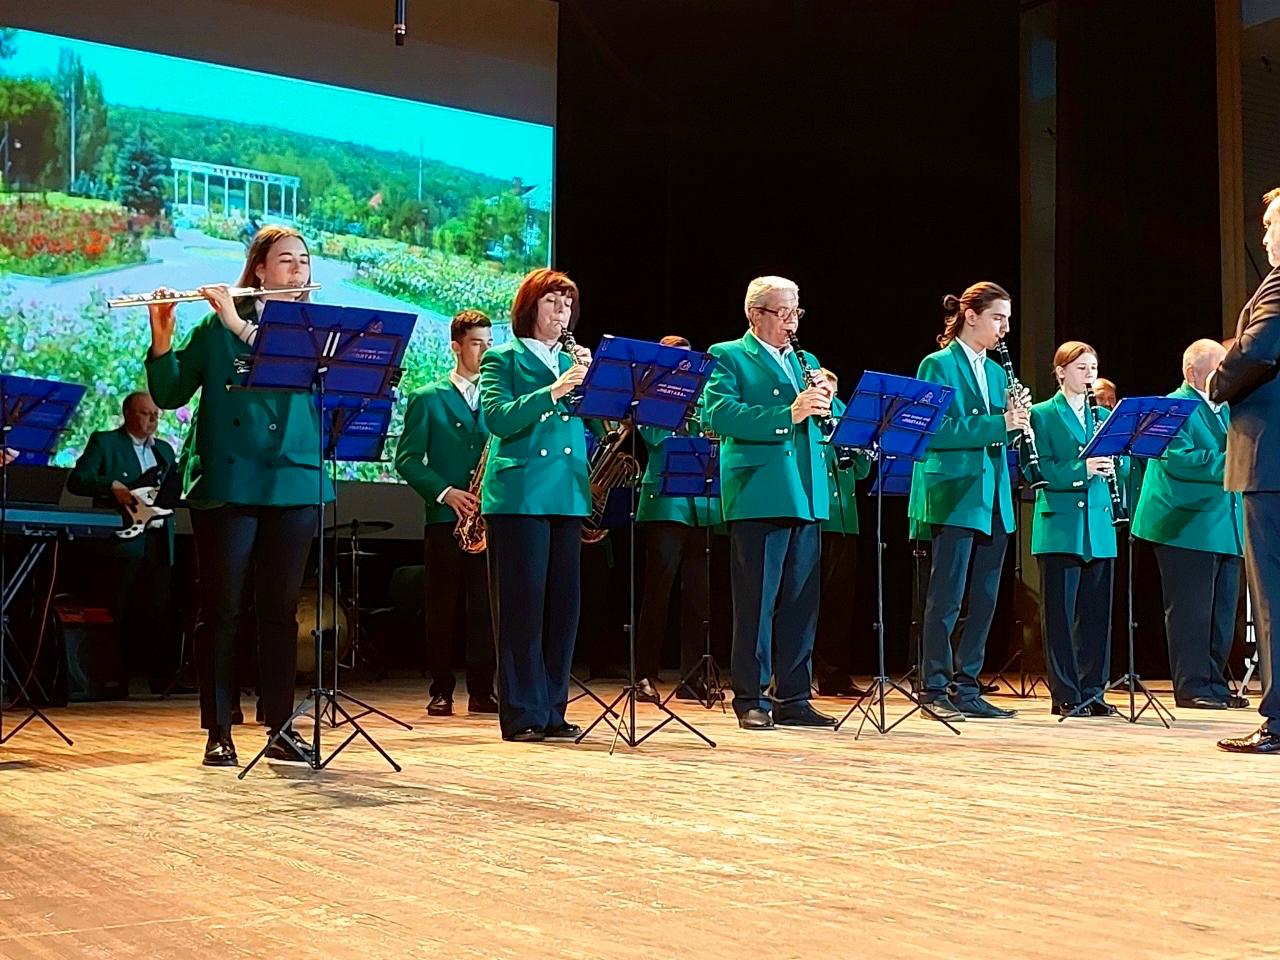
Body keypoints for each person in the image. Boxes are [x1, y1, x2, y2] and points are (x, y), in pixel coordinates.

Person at [146, 224, 328, 767]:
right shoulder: (215, 326)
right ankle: (219, 729)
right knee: (222, 610)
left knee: (279, 612)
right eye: (286, 261)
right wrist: (162, 335)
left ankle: (280, 728)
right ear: (260, 271)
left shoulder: (317, 331)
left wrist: (237, 323)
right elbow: (170, 391)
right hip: (229, 482)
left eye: (303, 261)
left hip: (294, 481)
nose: (297, 270)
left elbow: (307, 377)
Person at [704, 276, 835, 731]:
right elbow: (718, 415)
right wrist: (788, 414)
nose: (791, 322)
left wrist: (824, 407)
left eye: (796, 312)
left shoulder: (807, 360)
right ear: (754, 314)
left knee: (801, 601)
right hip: (760, 492)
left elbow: (816, 423)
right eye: (783, 313)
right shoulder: (728, 355)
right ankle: (751, 697)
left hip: (807, 490)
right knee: (756, 602)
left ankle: (794, 697)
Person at [479, 268, 592, 743]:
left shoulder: (572, 362)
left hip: (567, 492)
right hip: (520, 494)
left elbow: (600, 425)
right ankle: (523, 711)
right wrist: (556, 389)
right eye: (551, 301)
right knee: (522, 608)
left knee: (563, 609)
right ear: (530, 307)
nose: (561, 311)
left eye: (567, 304)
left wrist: (599, 385)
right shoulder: (502, 358)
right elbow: (497, 418)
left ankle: (553, 708)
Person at [907, 284, 1023, 721]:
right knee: (947, 597)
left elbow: (998, 433)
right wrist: (999, 423)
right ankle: (934, 687)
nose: (1004, 328)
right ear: (970, 316)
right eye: (998, 318)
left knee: (985, 598)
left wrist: (1018, 425)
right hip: (955, 492)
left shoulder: (996, 372)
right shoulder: (937, 364)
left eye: (1007, 319)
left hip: (993, 493)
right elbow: (933, 430)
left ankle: (968, 685)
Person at [395, 310, 498, 717]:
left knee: (486, 609)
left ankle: (483, 691)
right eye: (476, 343)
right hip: (445, 519)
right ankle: (441, 689)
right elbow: (407, 459)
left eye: (489, 344)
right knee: (442, 607)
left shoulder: (498, 400)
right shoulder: (427, 397)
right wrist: (445, 492)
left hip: (489, 518)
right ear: (456, 346)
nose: (484, 352)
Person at [1132, 339, 1244, 710]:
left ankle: (1214, 683)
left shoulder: (1227, 408)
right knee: (1191, 613)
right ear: (1191, 372)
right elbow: (1180, 460)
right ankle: (1192, 686)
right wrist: (1239, 458)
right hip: (1184, 526)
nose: (1223, 377)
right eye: (1216, 370)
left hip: (1224, 525)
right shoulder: (1170, 407)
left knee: (1221, 613)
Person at [1212, 186, 1280, 753]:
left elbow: (1257, 348)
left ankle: (1278, 720)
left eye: (1271, 224)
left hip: (1270, 459)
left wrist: (1217, 380)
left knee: (1273, 594)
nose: (1264, 234)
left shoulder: (1278, 284)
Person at [1028, 342, 1126, 717]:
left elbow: (1118, 464)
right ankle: (1066, 693)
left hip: (1099, 525)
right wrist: (1080, 469)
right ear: (1061, 372)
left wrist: (1115, 464)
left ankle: (1093, 691)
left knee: (1096, 617)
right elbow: (1037, 470)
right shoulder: (1042, 414)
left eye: (1093, 368)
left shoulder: (1102, 416)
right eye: (1082, 368)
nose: (1089, 376)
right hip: (1061, 526)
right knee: (1060, 616)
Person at [66, 392, 179, 694]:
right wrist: (112, 486)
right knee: (118, 608)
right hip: (122, 542)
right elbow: (77, 480)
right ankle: (111, 678)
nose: (152, 420)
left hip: (158, 540)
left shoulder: (164, 450)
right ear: (128, 413)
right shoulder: (105, 443)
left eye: (156, 415)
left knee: (159, 611)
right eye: (145, 413)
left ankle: (161, 680)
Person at [634, 335, 721, 705]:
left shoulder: (703, 399)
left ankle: (693, 676)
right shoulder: (650, 396)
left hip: (702, 504)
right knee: (658, 592)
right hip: (665, 504)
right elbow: (656, 438)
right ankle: (643, 674)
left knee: (699, 597)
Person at [813, 369, 872, 697]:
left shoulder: (845, 416)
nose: (830, 398)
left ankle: (834, 677)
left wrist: (861, 447)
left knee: (839, 606)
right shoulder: (811, 418)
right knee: (805, 602)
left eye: (834, 394)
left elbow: (860, 472)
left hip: (845, 521)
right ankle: (792, 677)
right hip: (817, 517)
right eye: (825, 391)